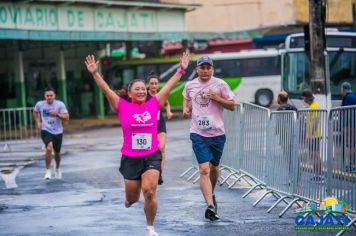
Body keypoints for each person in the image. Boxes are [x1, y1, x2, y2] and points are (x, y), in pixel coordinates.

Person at [85, 52, 189, 236]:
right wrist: (95, 73)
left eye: (143, 88)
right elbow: (106, 90)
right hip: (131, 158)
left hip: (151, 155)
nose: (142, 91)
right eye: (137, 89)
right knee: (133, 199)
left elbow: (170, 85)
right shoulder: (122, 105)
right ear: (129, 92)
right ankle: (129, 199)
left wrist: (181, 69)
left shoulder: (154, 103)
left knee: (149, 191)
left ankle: (150, 228)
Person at [182, 56, 235, 221]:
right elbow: (187, 97)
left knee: (214, 169)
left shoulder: (220, 84)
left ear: (212, 69)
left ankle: (211, 194)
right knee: (204, 169)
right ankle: (210, 206)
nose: (205, 70)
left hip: (217, 134)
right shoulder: (190, 85)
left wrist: (217, 98)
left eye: (208, 67)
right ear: (197, 69)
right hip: (198, 133)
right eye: (202, 67)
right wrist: (185, 108)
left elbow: (232, 105)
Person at [33, 87, 69, 180]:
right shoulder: (40, 104)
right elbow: (35, 111)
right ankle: (48, 171)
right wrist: (38, 122)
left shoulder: (59, 104)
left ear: (54, 96)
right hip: (46, 130)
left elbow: (67, 117)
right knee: (49, 148)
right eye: (47, 95)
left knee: (57, 152)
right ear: (44, 96)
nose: (49, 97)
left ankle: (57, 168)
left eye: (51, 95)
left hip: (58, 131)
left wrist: (57, 114)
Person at [146, 72, 173, 185]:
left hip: (159, 124)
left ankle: (159, 174)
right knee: (149, 150)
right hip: (147, 126)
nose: (154, 86)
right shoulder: (144, 95)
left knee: (161, 148)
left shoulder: (159, 95)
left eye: (156, 83)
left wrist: (168, 111)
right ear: (148, 84)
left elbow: (166, 103)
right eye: (152, 83)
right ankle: (149, 171)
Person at [301, 89, 323, 181]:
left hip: (314, 136)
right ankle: (316, 175)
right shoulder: (311, 106)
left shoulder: (315, 106)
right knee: (313, 155)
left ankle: (320, 175)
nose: (303, 100)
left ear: (306, 97)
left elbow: (315, 121)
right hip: (313, 136)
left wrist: (310, 135)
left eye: (303, 98)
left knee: (315, 156)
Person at [340, 82, 356, 172]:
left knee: (351, 145)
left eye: (341, 89)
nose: (340, 92)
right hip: (354, 124)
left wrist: (344, 126)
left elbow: (346, 113)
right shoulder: (354, 96)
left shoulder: (347, 97)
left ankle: (352, 165)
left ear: (344, 89)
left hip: (350, 125)